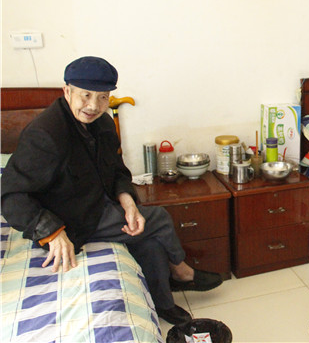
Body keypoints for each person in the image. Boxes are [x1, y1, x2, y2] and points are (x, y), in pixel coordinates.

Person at [1, 56, 223, 326]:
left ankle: (163, 303)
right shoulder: (45, 134)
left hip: (98, 203)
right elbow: (11, 196)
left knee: (150, 240)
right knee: (159, 218)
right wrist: (53, 232)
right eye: (85, 95)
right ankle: (182, 271)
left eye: (103, 97)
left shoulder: (104, 124)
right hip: (69, 220)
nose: (93, 106)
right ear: (67, 91)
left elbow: (116, 169)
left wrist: (128, 203)